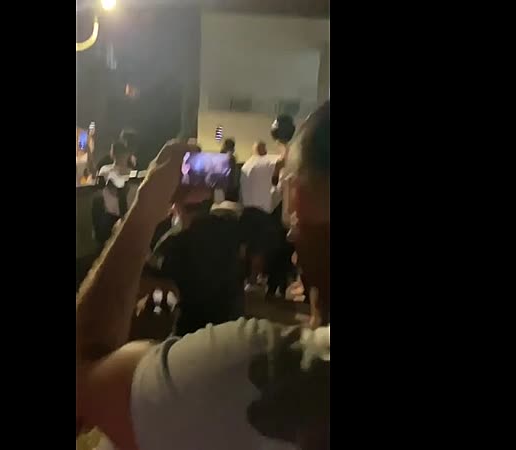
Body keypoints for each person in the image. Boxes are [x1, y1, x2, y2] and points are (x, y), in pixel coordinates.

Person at [76, 100, 330, 450]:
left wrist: (146, 205)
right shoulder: (230, 226)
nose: (289, 230)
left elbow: (83, 377)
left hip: (187, 340)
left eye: (290, 190)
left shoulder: (251, 374)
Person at [140, 191, 245, 336]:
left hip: (193, 328)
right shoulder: (230, 230)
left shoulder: (176, 242)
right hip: (233, 323)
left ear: (177, 208)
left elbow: (150, 276)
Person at [240, 141, 281, 288]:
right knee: (258, 249)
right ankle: (253, 280)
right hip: (261, 213)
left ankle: (242, 279)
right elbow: (283, 160)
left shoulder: (246, 165)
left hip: (246, 211)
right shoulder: (265, 161)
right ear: (263, 149)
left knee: (245, 247)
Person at [267, 115, 299, 300]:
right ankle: (279, 285)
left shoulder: (287, 155)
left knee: (279, 248)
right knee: (284, 250)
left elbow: (278, 186)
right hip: (289, 208)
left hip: (284, 208)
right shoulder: (292, 152)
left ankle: (275, 286)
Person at [92, 141, 137, 248]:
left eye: (122, 152)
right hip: (111, 216)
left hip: (128, 216)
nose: (120, 156)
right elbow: (100, 190)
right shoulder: (105, 170)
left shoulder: (132, 173)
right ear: (113, 154)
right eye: (117, 152)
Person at [220, 138, 240, 202]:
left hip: (221, 188)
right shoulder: (230, 158)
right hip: (229, 189)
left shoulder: (220, 156)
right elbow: (233, 175)